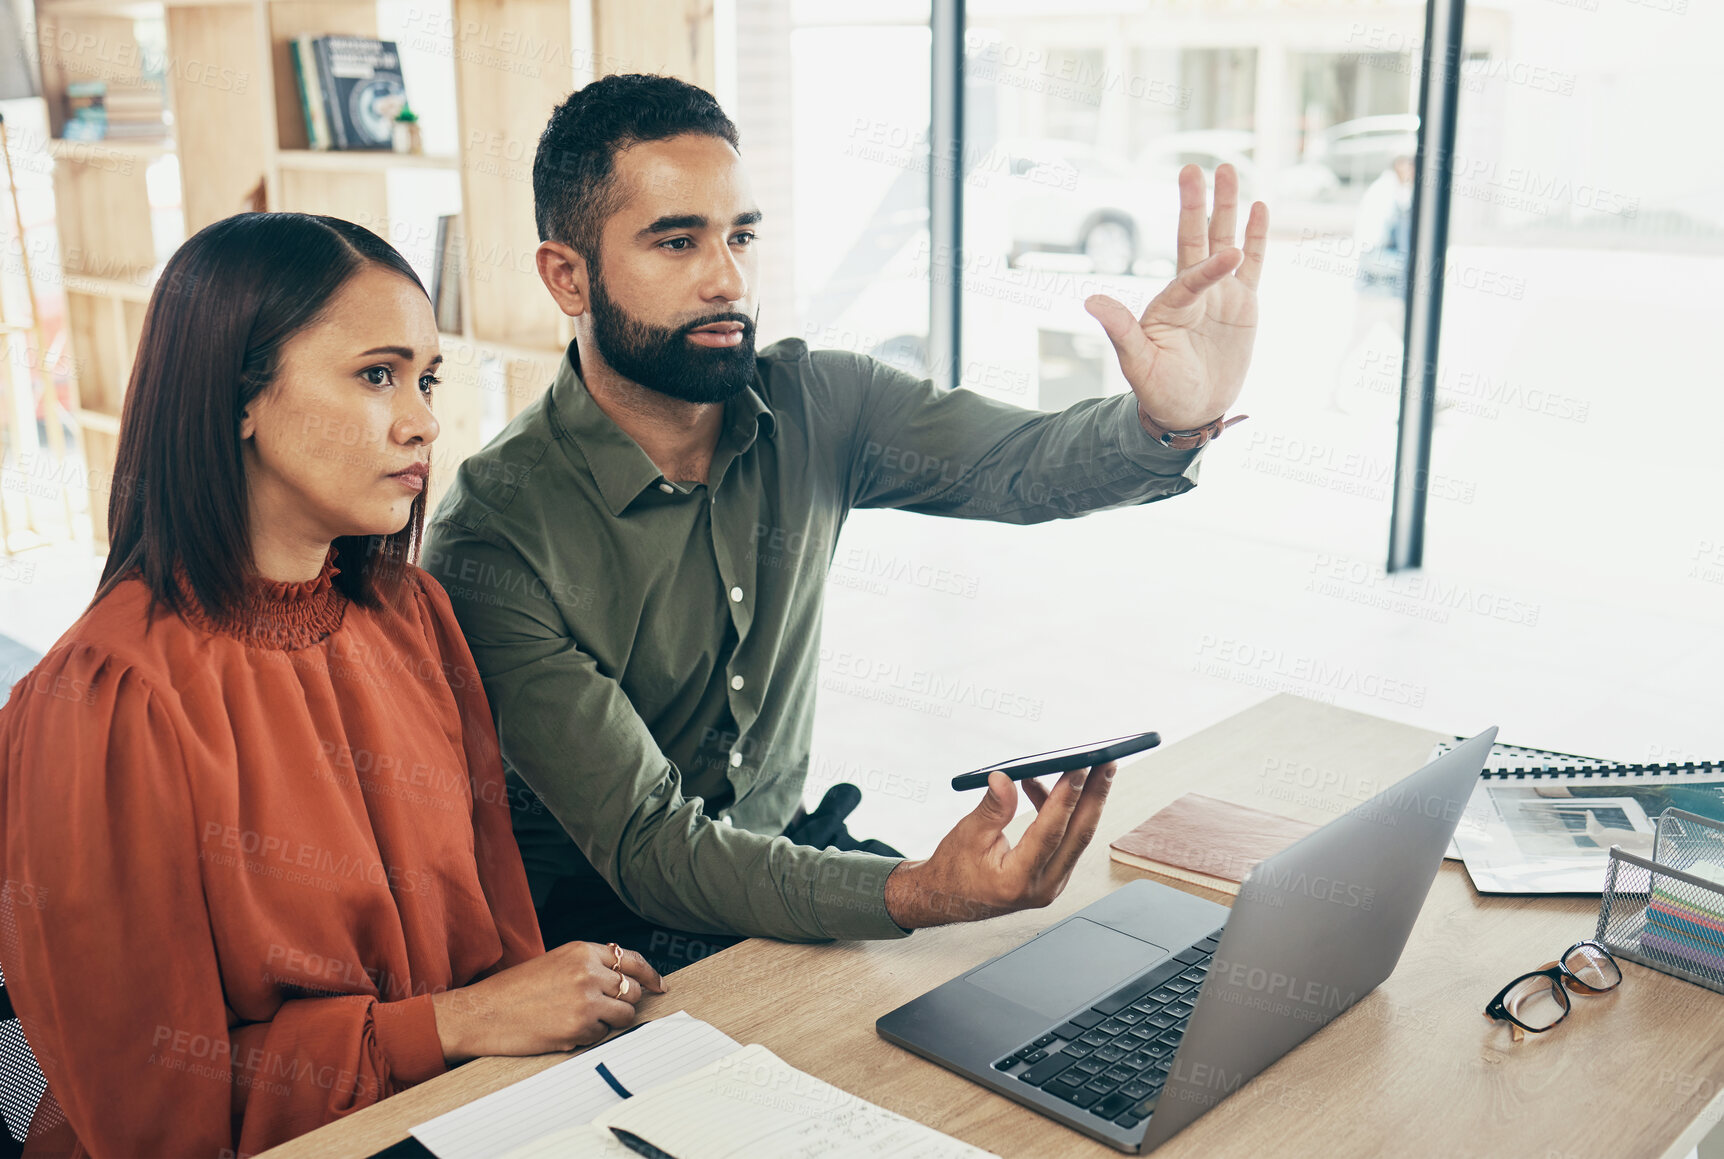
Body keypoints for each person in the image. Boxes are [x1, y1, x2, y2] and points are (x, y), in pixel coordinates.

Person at [422, 74, 1269, 971]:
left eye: (740, 236)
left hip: (786, 860)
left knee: (1078, 976)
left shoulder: (819, 399)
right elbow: (650, 846)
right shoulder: (496, 534)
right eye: (677, 242)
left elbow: (1018, 467)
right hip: (603, 937)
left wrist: (1166, 422)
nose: (728, 279)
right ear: (567, 275)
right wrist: (913, 890)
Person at [0, 213, 663, 1157]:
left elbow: (502, 945)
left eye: (426, 378)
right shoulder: (110, 697)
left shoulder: (411, 612)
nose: (424, 420)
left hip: (470, 1118)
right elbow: (155, 1110)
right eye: (376, 374)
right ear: (239, 395)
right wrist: (455, 1023)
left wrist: (546, 1013)